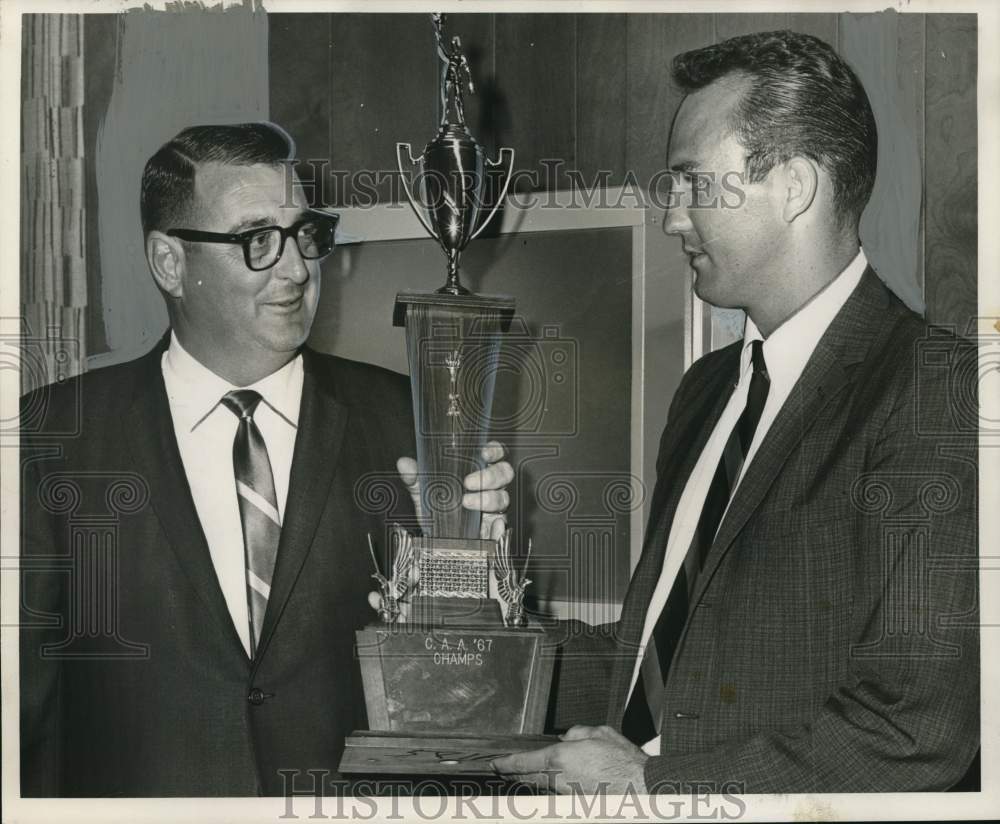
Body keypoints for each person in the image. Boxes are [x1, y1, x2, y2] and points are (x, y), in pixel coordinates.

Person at [494, 30, 979, 794]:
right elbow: (654, 656)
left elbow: (915, 729)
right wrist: (473, 620)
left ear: (794, 186)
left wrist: (649, 787)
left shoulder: (938, 389)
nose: (672, 219)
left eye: (692, 184)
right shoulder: (707, 390)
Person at [19, 122, 512, 797]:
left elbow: (467, 696)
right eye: (258, 240)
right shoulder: (54, 437)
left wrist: (473, 556)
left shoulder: (414, 422)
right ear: (170, 263)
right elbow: (22, 707)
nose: (297, 269)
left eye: (306, 234)